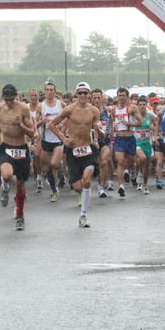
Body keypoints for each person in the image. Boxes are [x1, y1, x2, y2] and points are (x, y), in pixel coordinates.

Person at [47, 82, 102, 228]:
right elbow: (51, 124)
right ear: (77, 94)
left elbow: (98, 127)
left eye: (85, 93)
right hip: (74, 151)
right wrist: (64, 139)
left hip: (89, 149)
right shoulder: (69, 110)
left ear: (89, 94)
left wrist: (98, 134)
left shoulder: (94, 110)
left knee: (86, 180)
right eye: (80, 93)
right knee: (78, 187)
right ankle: (81, 197)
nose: (83, 95)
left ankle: (83, 214)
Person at [0, 84, 35, 231]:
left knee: (21, 185)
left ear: (16, 97)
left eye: (11, 99)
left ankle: (20, 215)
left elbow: (32, 133)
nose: (9, 102)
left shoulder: (23, 108)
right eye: (6, 99)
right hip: (6, 147)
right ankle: (4, 186)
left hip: (21, 148)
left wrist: (21, 124)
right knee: (7, 174)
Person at [111, 87, 143, 197]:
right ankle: (121, 186)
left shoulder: (132, 108)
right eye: (119, 95)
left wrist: (129, 123)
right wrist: (114, 128)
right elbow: (112, 123)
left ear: (127, 96)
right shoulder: (114, 109)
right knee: (120, 161)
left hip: (130, 138)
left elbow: (140, 122)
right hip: (119, 138)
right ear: (117, 96)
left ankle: (131, 171)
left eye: (123, 95)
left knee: (131, 161)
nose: (121, 97)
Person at [37, 81, 65, 202]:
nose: (49, 92)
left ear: (55, 91)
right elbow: (34, 124)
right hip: (46, 140)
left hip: (57, 139)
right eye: (47, 90)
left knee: (54, 164)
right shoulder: (41, 106)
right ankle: (54, 190)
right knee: (48, 168)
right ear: (45, 92)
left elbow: (67, 118)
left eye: (51, 90)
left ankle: (60, 169)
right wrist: (42, 122)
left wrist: (61, 127)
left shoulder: (61, 104)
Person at [134, 96, 156, 194]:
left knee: (147, 165)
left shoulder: (150, 116)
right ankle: (139, 172)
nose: (142, 107)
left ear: (146, 105)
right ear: (137, 106)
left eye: (144, 105)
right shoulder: (134, 116)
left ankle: (145, 185)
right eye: (140, 105)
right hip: (137, 143)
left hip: (147, 142)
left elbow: (157, 122)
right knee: (141, 159)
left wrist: (154, 130)